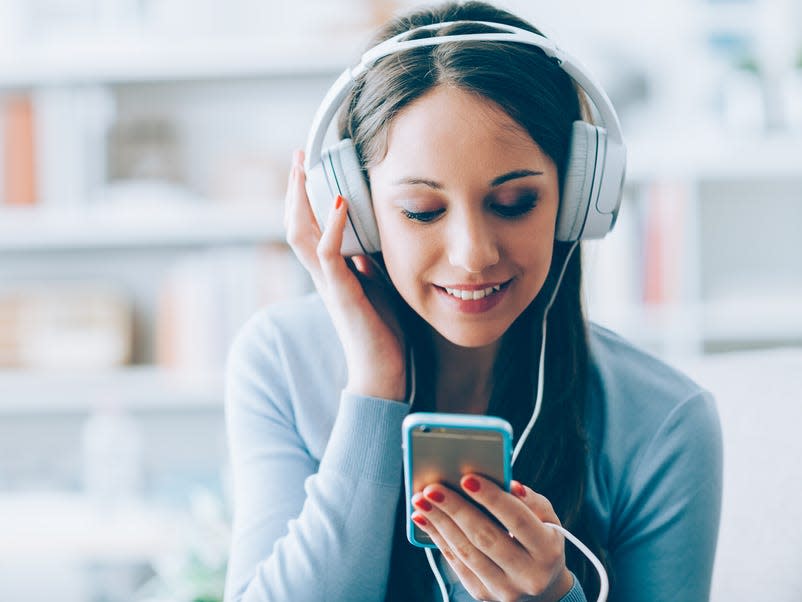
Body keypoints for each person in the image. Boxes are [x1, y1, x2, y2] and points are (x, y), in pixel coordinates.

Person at [223, 2, 723, 601]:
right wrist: (375, 387)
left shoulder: (664, 423)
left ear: (579, 196)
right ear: (357, 212)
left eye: (513, 203)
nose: (472, 256)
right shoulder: (279, 361)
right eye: (422, 212)